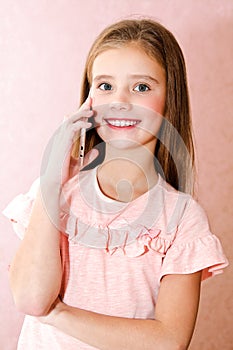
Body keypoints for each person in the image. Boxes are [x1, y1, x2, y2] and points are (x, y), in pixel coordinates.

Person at [3, 18, 228, 350]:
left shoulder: (182, 218)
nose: (119, 101)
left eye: (141, 87)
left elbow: (169, 341)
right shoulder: (55, 190)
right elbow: (32, 298)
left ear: (170, 98)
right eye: (105, 86)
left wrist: (59, 314)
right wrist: (53, 172)